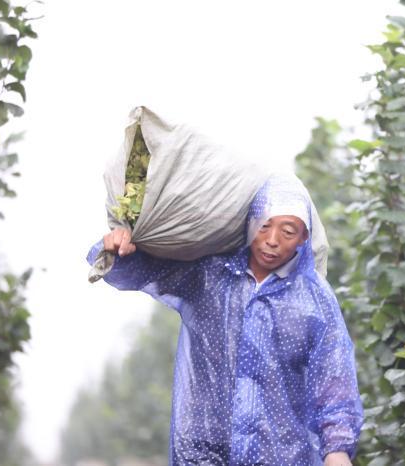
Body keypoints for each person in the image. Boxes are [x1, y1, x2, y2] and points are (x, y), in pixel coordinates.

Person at [86, 174, 363, 465]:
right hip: (203, 453)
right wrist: (117, 253)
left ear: (304, 237)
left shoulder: (314, 299)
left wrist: (337, 449)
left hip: (282, 456)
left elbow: (334, 375)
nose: (271, 240)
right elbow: (146, 272)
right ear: (249, 223)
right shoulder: (210, 276)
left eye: (288, 231)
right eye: (264, 225)